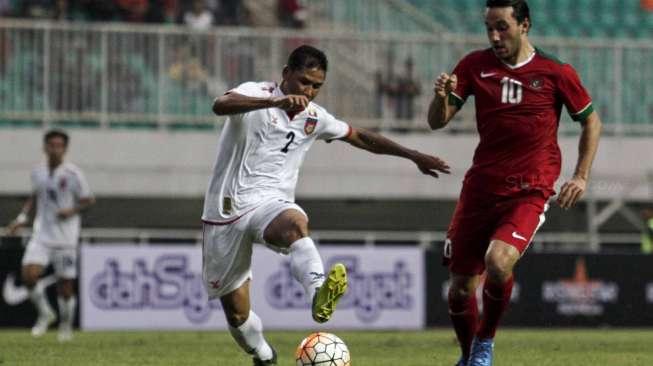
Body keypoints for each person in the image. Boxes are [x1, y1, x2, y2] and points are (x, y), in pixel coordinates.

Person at [204, 44, 450, 365]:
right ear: (285, 74)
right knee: (237, 316)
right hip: (225, 214)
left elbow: (360, 137)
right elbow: (220, 105)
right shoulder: (257, 93)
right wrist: (274, 101)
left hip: (271, 204)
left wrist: (413, 155)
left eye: (316, 85)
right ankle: (263, 354)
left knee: (295, 225)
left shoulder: (313, 118)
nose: (309, 91)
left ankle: (319, 294)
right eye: (303, 81)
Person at [426, 1, 602, 365]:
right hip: (480, 189)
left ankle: (485, 344)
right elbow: (437, 122)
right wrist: (440, 97)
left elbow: (591, 121)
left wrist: (581, 176)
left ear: (525, 25)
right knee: (460, 288)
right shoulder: (474, 66)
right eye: (489, 27)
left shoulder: (554, 71)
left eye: (502, 27)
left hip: (529, 189)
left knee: (499, 260)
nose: (494, 36)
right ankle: (468, 354)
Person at [5, 129, 94, 342]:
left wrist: (70, 211)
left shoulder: (73, 174)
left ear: (65, 148)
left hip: (65, 239)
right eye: (51, 145)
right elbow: (34, 196)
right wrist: (22, 218)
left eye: (59, 145)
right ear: (45, 147)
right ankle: (45, 313)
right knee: (28, 275)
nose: (55, 149)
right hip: (41, 235)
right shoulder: (37, 172)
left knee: (65, 287)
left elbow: (88, 200)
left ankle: (65, 325)